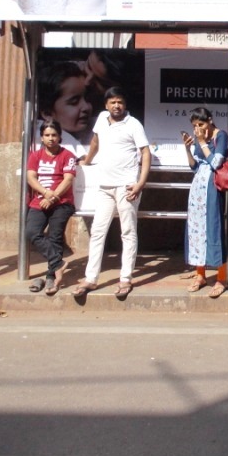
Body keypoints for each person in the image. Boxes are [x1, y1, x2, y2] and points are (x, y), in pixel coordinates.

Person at [74, 87, 151, 299]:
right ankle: (91, 278)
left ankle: (126, 278)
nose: (116, 106)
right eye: (113, 102)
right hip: (104, 186)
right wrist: (87, 161)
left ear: (125, 105)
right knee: (98, 231)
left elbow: (145, 153)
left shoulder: (133, 124)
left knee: (127, 232)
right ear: (106, 105)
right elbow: (95, 142)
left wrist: (140, 183)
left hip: (127, 187)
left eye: (120, 102)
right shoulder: (101, 119)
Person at [25, 119, 78, 296]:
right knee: (32, 232)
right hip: (39, 201)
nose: (50, 138)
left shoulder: (67, 155)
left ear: (60, 136)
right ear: (41, 137)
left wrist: (53, 196)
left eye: (54, 135)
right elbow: (31, 177)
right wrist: (45, 193)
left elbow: (68, 179)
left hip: (62, 203)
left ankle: (51, 278)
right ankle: (58, 263)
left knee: (55, 237)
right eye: (47, 135)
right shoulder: (35, 155)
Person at [181, 107, 228, 298]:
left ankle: (221, 277)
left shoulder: (221, 136)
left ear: (210, 121)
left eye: (201, 124)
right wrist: (188, 148)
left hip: (212, 187)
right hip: (197, 189)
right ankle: (200, 274)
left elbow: (216, 162)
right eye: (194, 126)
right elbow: (194, 166)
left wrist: (202, 142)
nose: (198, 129)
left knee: (214, 230)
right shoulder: (198, 140)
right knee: (196, 230)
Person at [37, 59, 95, 148]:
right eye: (74, 102)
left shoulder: (100, 128)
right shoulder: (37, 142)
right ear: (48, 113)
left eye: (88, 99)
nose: (86, 107)